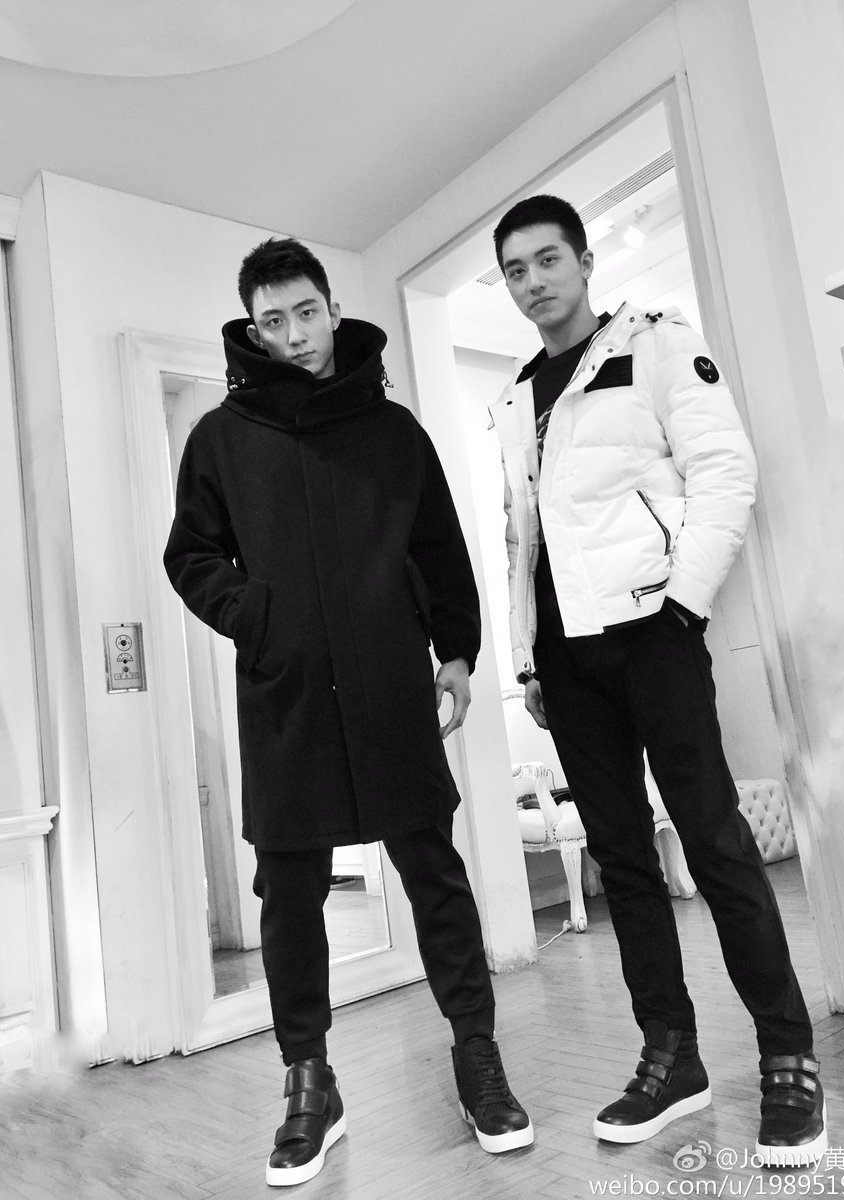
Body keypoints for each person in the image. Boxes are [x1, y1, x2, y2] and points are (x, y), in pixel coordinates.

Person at [164, 237, 532, 1187]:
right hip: (285, 696)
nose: (294, 336)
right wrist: (256, 618)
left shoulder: (394, 432)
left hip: (389, 686)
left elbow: (440, 547)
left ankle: (478, 1058)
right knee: (289, 895)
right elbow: (191, 556)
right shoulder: (220, 439)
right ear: (253, 329)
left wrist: (456, 650)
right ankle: (309, 1084)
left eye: (306, 313)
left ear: (332, 308)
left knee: (434, 875)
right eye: (272, 321)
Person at [488, 194, 826, 1168]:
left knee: (714, 842)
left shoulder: (657, 343)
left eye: (547, 260)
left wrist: (683, 609)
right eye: (514, 270)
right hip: (566, 658)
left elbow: (726, 471)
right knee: (623, 860)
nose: (532, 282)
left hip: (654, 632)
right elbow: (523, 540)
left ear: (585, 262)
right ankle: (670, 1057)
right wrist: (528, 657)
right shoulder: (514, 398)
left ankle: (788, 1057)